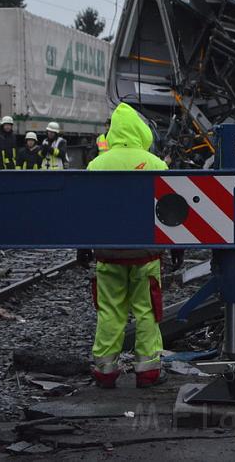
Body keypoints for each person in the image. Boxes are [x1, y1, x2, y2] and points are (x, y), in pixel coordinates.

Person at [86, 103, 168, 388]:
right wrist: (176, 248)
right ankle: (147, 371)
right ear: (139, 131)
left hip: (108, 254)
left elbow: (85, 211)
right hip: (146, 254)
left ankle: (105, 371)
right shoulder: (156, 164)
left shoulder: (97, 165)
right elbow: (170, 212)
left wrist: (84, 246)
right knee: (146, 310)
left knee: (110, 310)